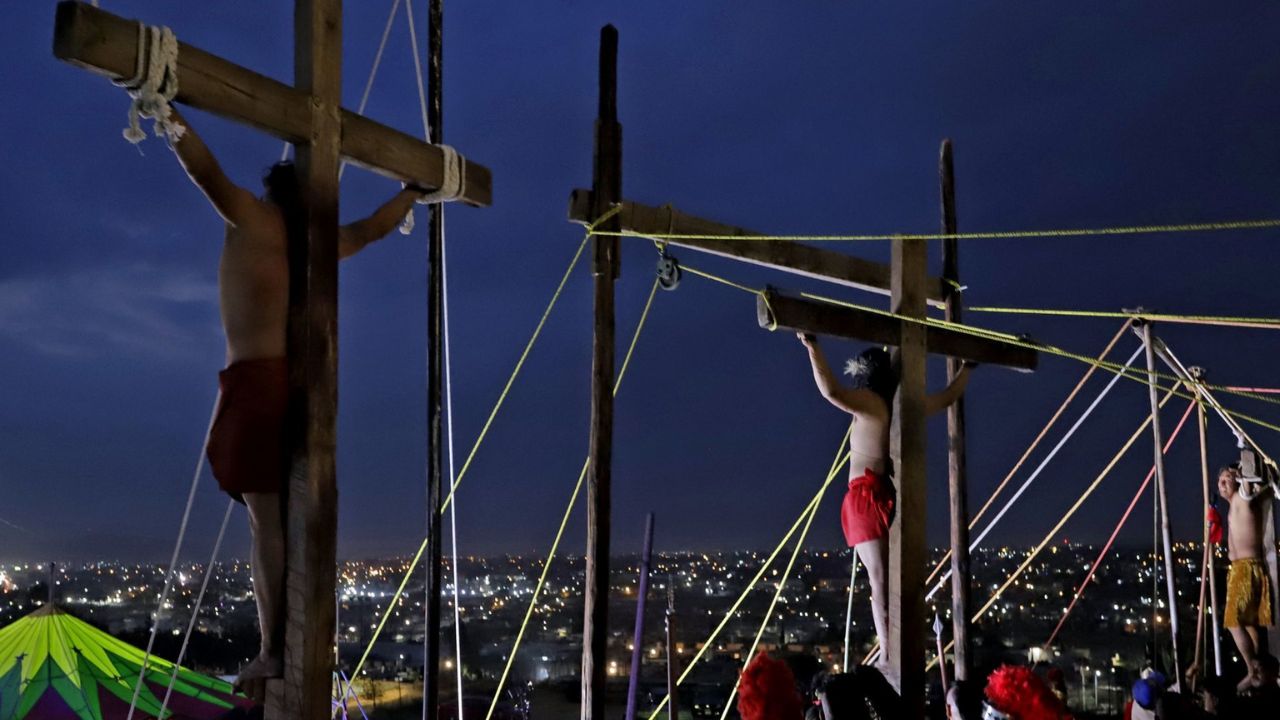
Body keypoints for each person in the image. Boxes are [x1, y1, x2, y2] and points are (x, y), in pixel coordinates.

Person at [167, 108, 429, 696]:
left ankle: (271, 649)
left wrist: (167, 112)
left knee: (267, 525)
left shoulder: (251, 220)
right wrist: (412, 191)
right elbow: (374, 229)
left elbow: (205, 171)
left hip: (253, 382)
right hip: (297, 387)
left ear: (271, 188)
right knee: (285, 518)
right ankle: (282, 645)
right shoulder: (319, 244)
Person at [797, 336, 972, 667]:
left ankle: (891, 653)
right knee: (883, 580)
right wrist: (969, 368)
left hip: (866, 497)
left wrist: (812, 347)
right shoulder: (902, 405)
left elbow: (831, 391)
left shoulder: (871, 402)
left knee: (879, 581)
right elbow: (948, 396)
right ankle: (893, 648)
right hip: (877, 495)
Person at [1217, 460, 1276, 691]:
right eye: (1219, 482)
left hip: (1246, 568)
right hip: (1243, 568)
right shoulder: (1235, 502)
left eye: (1225, 480)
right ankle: (1256, 668)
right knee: (1249, 622)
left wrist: (1242, 468)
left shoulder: (1243, 496)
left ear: (1236, 477)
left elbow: (1247, 485)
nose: (1221, 485)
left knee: (1233, 622)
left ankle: (1252, 670)